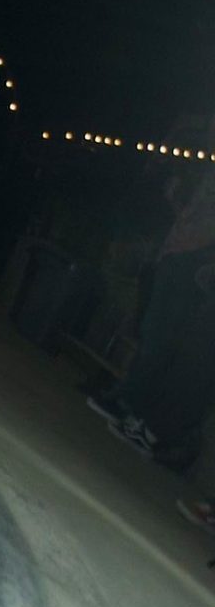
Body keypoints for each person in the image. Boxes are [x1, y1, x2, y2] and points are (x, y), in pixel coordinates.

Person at [89, 155, 215, 464]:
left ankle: (136, 410)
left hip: (194, 259)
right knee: (156, 333)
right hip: (179, 253)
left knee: (168, 341)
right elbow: (191, 209)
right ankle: (132, 404)